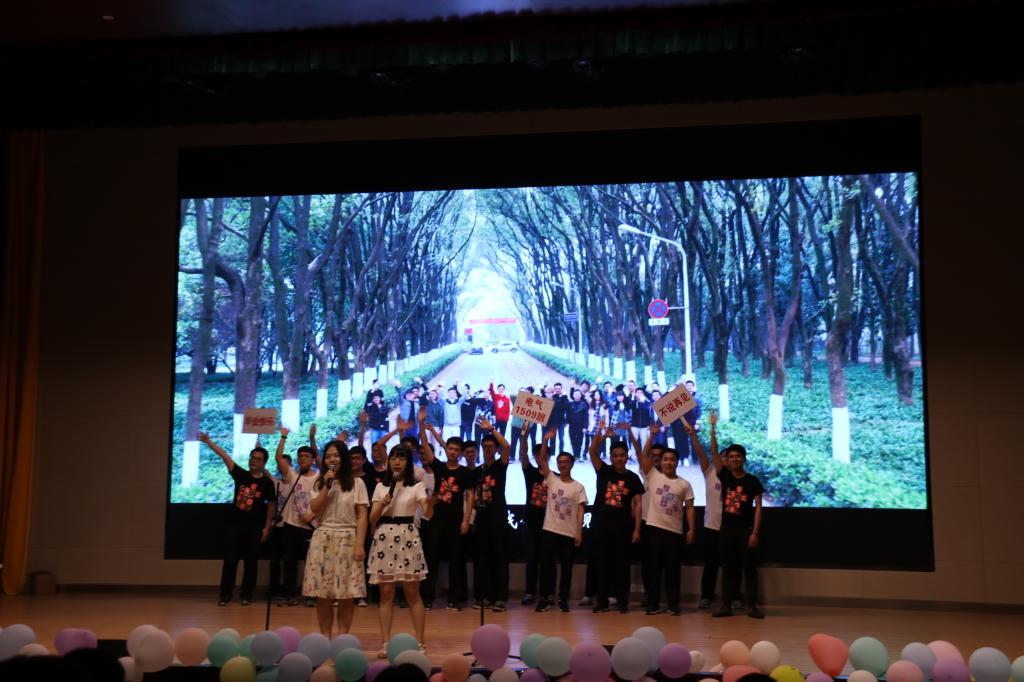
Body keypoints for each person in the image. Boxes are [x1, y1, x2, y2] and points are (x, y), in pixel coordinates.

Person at [367, 444, 436, 656]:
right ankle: (385, 643)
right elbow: (372, 519)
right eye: (393, 458)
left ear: (409, 463)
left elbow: (427, 514)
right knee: (386, 593)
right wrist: (382, 505)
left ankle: (421, 642)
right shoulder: (381, 487)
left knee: (412, 593)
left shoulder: (417, 486)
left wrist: (431, 504)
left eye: (402, 458)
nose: (397, 462)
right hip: (384, 536)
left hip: (407, 536)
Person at [199, 432, 277, 606]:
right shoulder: (241, 475)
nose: (253, 461)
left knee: (251, 563)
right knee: (230, 561)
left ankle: (246, 594)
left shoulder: (267, 483)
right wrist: (208, 441)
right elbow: (225, 456)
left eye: (258, 459)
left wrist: (267, 527)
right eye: (252, 458)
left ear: (264, 463)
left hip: (255, 528)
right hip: (235, 526)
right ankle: (225, 595)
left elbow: (271, 505)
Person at [302, 439, 368, 637]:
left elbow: (362, 515)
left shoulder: (357, 483)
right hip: (323, 538)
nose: (332, 459)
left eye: (336, 456)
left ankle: (342, 638)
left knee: (347, 594)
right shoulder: (319, 482)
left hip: (348, 538)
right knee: (323, 594)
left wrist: (360, 544)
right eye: (328, 456)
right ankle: (325, 638)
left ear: (344, 458)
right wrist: (326, 486)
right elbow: (314, 508)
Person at [638, 423, 695, 615]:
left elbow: (690, 508)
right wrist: (652, 435)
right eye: (666, 459)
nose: (669, 462)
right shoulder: (653, 475)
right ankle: (653, 604)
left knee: (673, 570)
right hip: (653, 529)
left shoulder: (684, 484)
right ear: (660, 462)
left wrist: (691, 529)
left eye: (672, 459)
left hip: (674, 532)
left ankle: (673, 605)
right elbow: (643, 456)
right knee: (653, 569)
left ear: (677, 462)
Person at [419, 411, 474, 610]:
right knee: (432, 558)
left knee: (455, 560)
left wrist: (466, 521)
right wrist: (422, 424)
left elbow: (470, 497)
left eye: (456, 450)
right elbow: (426, 447)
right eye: (450, 448)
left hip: (455, 521)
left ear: (460, 453)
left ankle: (454, 599)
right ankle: (427, 597)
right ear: (446, 450)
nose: (452, 452)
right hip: (436, 519)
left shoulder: (465, 473)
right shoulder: (439, 467)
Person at [707, 430, 765, 619]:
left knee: (749, 569)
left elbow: (758, 507)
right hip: (727, 529)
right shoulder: (724, 475)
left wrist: (755, 533)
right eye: (731, 457)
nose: (734, 459)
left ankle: (752, 606)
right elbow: (714, 451)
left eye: (737, 456)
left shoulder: (752, 481)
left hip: (745, 530)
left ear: (744, 459)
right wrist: (712, 429)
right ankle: (726, 605)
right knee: (727, 568)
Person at [587, 424, 644, 613]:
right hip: (601, 526)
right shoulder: (604, 470)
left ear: (627, 457)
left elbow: (638, 504)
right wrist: (602, 436)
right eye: (615, 455)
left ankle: (622, 601)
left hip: (623, 527)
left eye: (622, 455)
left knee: (622, 565)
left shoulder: (633, 478)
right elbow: (592, 451)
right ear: (611, 457)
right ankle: (602, 601)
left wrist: (637, 529)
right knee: (602, 564)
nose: (619, 458)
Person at [534, 430, 587, 613]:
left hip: (568, 533)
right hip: (550, 530)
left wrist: (579, 532)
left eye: (566, 462)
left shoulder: (578, 487)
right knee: (546, 567)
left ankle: (563, 599)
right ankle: (544, 598)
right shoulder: (552, 479)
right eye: (560, 462)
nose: (562, 464)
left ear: (571, 464)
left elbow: (580, 510)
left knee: (566, 568)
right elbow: (542, 459)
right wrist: (545, 440)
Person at [273, 429, 320, 606]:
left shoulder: (319, 477)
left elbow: (324, 500)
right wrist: (283, 437)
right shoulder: (293, 474)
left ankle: (310, 595)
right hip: (291, 524)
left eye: (306, 456)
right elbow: (278, 458)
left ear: (313, 459)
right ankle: (290, 595)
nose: (302, 459)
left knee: (311, 562)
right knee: (289, 562)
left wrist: (312, 515)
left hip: (310, 525)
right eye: (300, 456)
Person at [472, 420, 512, 611]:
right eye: (485, 446)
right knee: (484, 559)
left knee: (499, 558)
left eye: (490, 446)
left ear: (495, 449)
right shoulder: (478, 470)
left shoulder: (500, 466)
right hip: (481, 519)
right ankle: (486, 596)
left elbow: (507, 446)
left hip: (498, 518)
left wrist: (491, 429)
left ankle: (501, 598)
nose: (487, 449)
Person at [691, 411, 727, 609]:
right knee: (711, 564)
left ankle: (734, 596)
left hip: (730, 527)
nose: (725, 460)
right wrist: (708, 429)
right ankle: (706, 596)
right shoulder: (710, 472)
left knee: (732, 564)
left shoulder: (736, 477)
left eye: (728, 457)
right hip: (711, 526)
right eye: (723, 456)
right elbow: (703, 452)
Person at [520, 436, 547, 605]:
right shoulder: (530, 472)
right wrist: (524, 436)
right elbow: (523, 453)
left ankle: (545, 594)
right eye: (537, 455)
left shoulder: (554, 476)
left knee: (546, 561)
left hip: (549, 525)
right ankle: (530, 592)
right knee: (531, 559)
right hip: (530, 523)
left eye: (543, 455)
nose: (540, 457)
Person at [567, 388, 590, 461]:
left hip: (581, 426)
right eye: (575, 394)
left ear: (580, 395)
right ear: (573, 395)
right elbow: (567, 414)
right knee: (573, 441)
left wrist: (585, 427)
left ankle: (579, 455)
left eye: (578, 394)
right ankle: (574, 455)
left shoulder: (583, 404)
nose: (577, 395)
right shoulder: (570, 404)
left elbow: (586, 417)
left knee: (579, 441)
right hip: (572, 426)